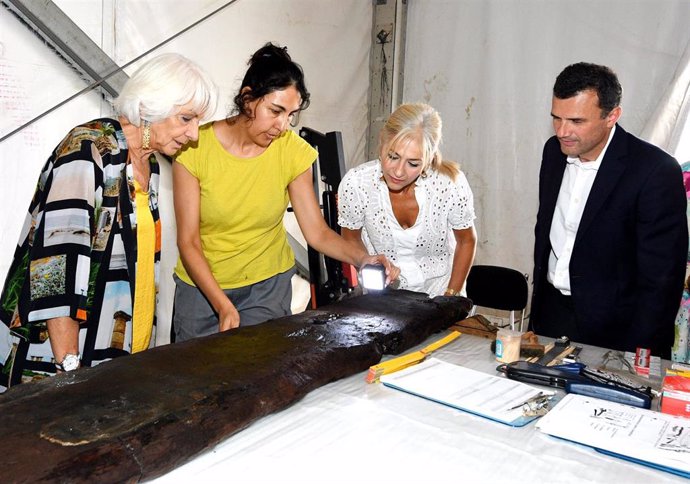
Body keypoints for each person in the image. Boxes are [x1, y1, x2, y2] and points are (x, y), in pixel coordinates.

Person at [0, 53, 217, 389]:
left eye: (197, 122)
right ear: (148, 108)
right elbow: (55, 271)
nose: (193, 135)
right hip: (62, 365)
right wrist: (70, 370)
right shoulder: (89, 149)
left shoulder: (149, 167)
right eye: (186, 118)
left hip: (116, 358)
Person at [172, 43, 398, 342]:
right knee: (195, 381)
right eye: (275, 111)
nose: (282, 126)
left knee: (259, 377)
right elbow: (188, 242)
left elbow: (317, 233)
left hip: (266, 290)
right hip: (201, 289)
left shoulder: (292, 152)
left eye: (291, 115)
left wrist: (363, 258)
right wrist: (223, 305)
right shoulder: (194, 148)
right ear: (247, 99)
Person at [530, 62, 688, 358]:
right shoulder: (553, 152)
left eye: (577, 121)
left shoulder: (654, 171)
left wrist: (642, 354)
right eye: (556, 118)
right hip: (550, 316)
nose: (563, 131)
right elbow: (547, 230)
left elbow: (661, 279)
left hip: (617, 333)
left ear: (612, 116)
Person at [338, 103, 477, 298]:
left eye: (413, 163)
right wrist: (370, 263)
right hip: (382, 295)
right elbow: (351, 238)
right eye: (393, 156)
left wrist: (450, 296)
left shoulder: (450, 184)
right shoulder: (357, 184)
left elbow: (466, 241)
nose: (398, 171)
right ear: (382, 143)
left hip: (441, 291)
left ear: (428, 159)